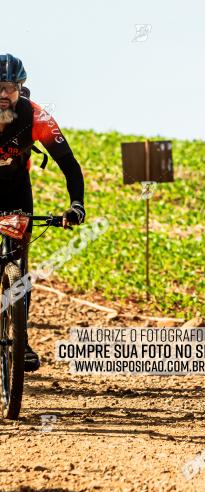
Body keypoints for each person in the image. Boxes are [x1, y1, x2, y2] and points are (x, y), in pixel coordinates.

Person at [0, 53, 86, 371]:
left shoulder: (36, 117)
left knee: (18, 266)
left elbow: (70, 165)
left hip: (15, 191)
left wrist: (76, 204)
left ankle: (19, 338)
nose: (3, 94)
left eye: (9, 87)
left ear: (21, 88)